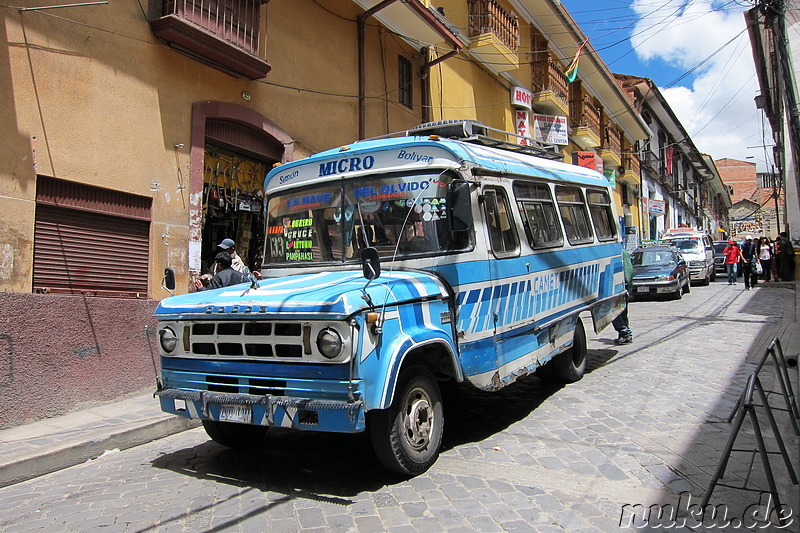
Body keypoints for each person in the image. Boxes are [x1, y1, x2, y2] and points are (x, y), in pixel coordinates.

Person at [613, 248, 633, 345]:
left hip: (621, 287)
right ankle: (625, 334)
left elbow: (628, 271)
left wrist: (627, 285)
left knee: (616, 312)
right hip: (617, 286)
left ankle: (625, 333)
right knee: (622, 312)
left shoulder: (622, 253)